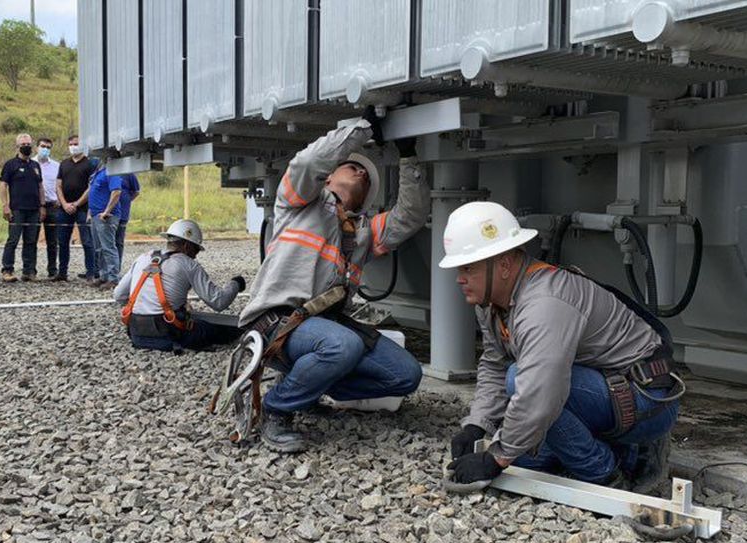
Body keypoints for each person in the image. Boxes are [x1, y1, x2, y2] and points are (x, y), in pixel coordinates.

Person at [441, 202, 682, 491]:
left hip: (648, 400)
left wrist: (496, 458)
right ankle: (627, 452)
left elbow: (540, 392)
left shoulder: (544, 304)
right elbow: (494, 361)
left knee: (520, 382)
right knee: (526, 459)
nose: (459, 278)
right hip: (609, 388)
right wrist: (477, 424)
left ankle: (605, 473)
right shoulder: (492, 302)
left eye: (468, 268)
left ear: (503, 265)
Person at [238, 109, 430, 453]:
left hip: (322, 328)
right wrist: (363, 129)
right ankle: (276, 409)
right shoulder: (299, 202)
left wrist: (408, 156)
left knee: (406, 375)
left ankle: (306, 387)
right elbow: (309, 162)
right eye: (350, 165)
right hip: (275, 322)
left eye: (367, 177)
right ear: (327, 178)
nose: (360, 171)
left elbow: (410, 216)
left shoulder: (364, 232)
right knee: (344, 345)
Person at [115, 219, 245, 352]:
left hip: (137, 336)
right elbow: (218, 302)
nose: (195, 256)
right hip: (169, 337)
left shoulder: (143, 258)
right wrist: (236, 284)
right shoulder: (188, 264)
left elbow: (119, 296)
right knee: (226, 329)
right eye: (196, 250)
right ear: (186, 246)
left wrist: (146, 306)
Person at [0, 133, 46, 282]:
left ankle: (29, 271)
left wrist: (42, 206)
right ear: (17, 147)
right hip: (17, 209)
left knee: (31, 241)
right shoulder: (10, 165)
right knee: (13, 240)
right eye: (23, 145)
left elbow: (40, 186)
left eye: (28, 144)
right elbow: (3, 185)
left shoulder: (35, 165)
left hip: (34, 209)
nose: (26, 147)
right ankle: (7, 270)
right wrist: (5, 205)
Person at [58, 134, 94, 280]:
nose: (74, 146)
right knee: (62, 241)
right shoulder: (64, 163)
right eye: (71, 144)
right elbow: (58, 185)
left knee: (87, 241)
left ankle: (91, 271)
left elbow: (91, 186)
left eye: (76, 144)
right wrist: (64, 203)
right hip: (64, 208)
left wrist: (77, 203)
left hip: (83, 208)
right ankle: (62, 272)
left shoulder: (90, 164)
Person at [86, 159, 124, 288]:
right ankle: (103, 276)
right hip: (96, 215)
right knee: (99, 248)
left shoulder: (112, 172)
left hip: (106, 216)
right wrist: (90, 213)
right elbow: (93, 193)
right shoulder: (98, 172)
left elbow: (117, 192)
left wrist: (107, 211)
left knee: (108, 247)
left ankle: (113, 278)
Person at [36, 137, 64, 281]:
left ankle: (52, 269)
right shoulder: (31, 164)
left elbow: (60, 185)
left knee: (53, 241)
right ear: (37, 147)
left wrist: (60, 201)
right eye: (42, 146)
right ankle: (30, 270)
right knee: (31, 239)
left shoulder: (57, 166)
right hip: (35, 207)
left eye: (48, 147)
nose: (45, 149)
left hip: (53, 206)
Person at [115, 172, 141, 264]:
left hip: (122, 212)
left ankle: (117, 267)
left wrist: (127, 200)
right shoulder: (107, 171)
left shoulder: (129, 174)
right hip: (108, 212)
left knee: (118, 241)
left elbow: (136, 191)